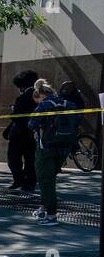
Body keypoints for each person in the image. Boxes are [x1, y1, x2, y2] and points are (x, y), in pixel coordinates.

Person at [28, 78, 79, 226]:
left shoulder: (44, 105)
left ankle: (51, 216)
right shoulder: (68, 104)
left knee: (46, 181)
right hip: (63, 148)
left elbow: (32, 123)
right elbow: (78, 119)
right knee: (49, 180)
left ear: (41, 94)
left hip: (46, 149)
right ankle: (43, 208)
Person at [4, 70, 40, 193]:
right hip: (33, 133)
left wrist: (13, 111)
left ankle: (18, 180)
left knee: (13, 159)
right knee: (30, 160)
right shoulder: (39, 96)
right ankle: (29, 183)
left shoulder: (21, 98)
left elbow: (17, 117)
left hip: (19, 133)